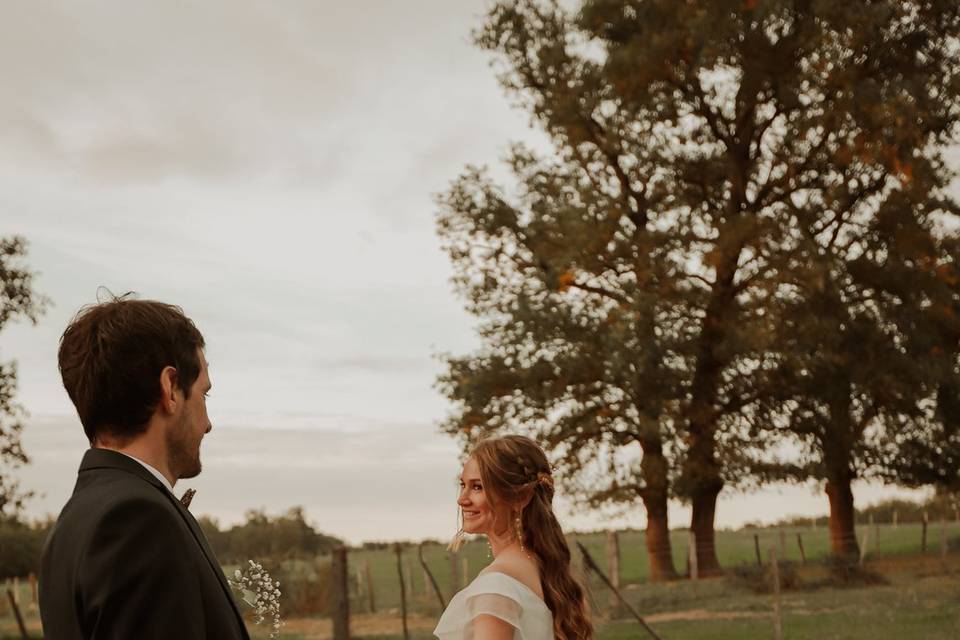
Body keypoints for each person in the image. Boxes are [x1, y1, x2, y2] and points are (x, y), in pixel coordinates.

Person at [39, 297, 249, 640]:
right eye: (203, 395)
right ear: (170, 389)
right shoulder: (138, 519)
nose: (208, 424)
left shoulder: (74, 522)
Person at [434, 435, 593, 640]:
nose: (462, 499)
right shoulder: (540, 567)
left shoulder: (495, 588)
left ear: (521, 497)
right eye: (462, 485)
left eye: (477, 487)